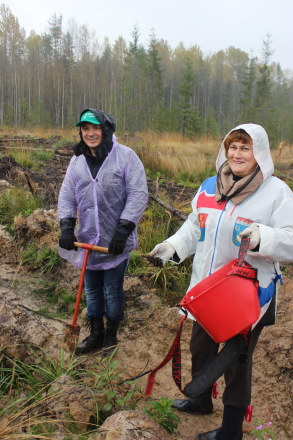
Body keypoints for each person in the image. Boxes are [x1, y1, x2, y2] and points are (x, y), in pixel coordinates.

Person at [149, 123, 293, 440]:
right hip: (207, 292)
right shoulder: (209, 187)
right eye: (232, 146)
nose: (237, 153)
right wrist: (173, 247)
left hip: (248, 298)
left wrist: (263, 237)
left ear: (260, 153)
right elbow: (193, 228)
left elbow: (291, 240)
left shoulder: (277, 194)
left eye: (245, 147)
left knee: (236, 361)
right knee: (200, 347)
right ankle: (200, 399)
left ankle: (230, 431)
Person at [58, 109, 148, 356]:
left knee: (113, 289)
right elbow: (67, 194)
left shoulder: (126, 157)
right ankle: (96, 333)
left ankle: (111, 335)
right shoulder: (77, 161)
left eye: (95, 128)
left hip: (115, 243)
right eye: (85, 129)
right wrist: (67, 226)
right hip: (88, 241)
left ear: (106, 130)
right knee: (92, 289)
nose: (90, 134)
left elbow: (138, 194)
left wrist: (123, 231)